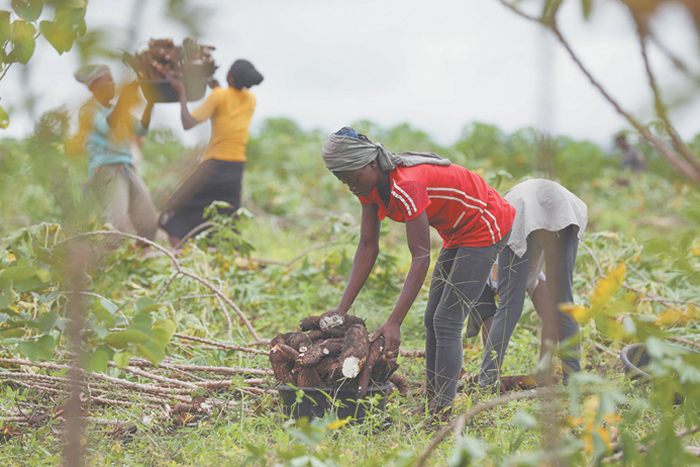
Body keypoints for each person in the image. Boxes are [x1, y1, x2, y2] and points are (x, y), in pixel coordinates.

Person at [321, 127, 516, 418]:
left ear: (372, 164)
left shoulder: (406, 186)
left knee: (447, 320)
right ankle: (432, 401)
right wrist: (341, 309)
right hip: (456, 232)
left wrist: (394, 322)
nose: (351, 187)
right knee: (432, 319)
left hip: (485, 224)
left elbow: (420, 258)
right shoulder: (370, 187)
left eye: (353, 178)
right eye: (344, 181)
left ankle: (441, 412)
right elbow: (367, 247)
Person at [466, 179, 588, 390]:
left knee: (512, 305)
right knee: (561, 300)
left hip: (535, 207)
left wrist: (543, 371)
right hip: (561, 205)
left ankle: (487, 381)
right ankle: (573, 378)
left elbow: (547, 317)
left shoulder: (503, 261)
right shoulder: (482, 279)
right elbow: (490, 320)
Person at [159, 59, 264, 247]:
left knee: (175, 209)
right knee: (227, 218)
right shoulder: (251, 100)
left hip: (214, 165)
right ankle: (222, 258)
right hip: (236, 169)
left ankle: (179, 255)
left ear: (230, 75)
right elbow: (230, 98)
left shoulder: (218, 96)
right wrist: (218, 88)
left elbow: (187, 122)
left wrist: (182, 92)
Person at [75, 64, 158, 241]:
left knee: (148, 222)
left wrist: (151, 103)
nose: (113, 85)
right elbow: (108, 127)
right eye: (108, 81)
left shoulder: (117, 110)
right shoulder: (89, 109)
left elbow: (141, 129)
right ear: (94, 85)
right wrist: (125, 96)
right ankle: (103, 262)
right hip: (107, 169)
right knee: (116, 226)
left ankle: (140, 259)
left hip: (127, 167)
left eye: (113, 81)